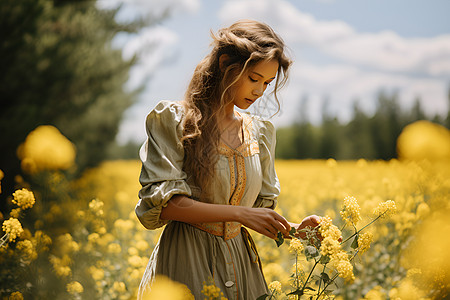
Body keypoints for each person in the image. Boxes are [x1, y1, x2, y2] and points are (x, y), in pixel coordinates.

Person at [135, 19, 320, 299]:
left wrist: (296, 231)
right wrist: (240, 213)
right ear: (224, 64)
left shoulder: (260, 133)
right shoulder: (175, 120)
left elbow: (254, 214)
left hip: (241, 263)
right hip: (188, 260)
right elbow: (165, 206)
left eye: (267, 83)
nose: (259, 91)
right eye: (254, 78)